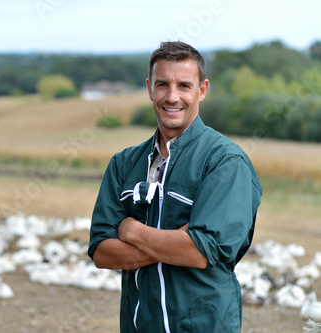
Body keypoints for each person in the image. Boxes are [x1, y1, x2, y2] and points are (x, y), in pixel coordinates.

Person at [88, 41, 262, 333]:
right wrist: (177, 243)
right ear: (149, 88)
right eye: (162, 85)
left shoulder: (225, 162)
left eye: (184, 85)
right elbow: (102, 252)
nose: (172, 97)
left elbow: (202, 253)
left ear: (202, 90)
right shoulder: (123, 164)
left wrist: (134, 232)